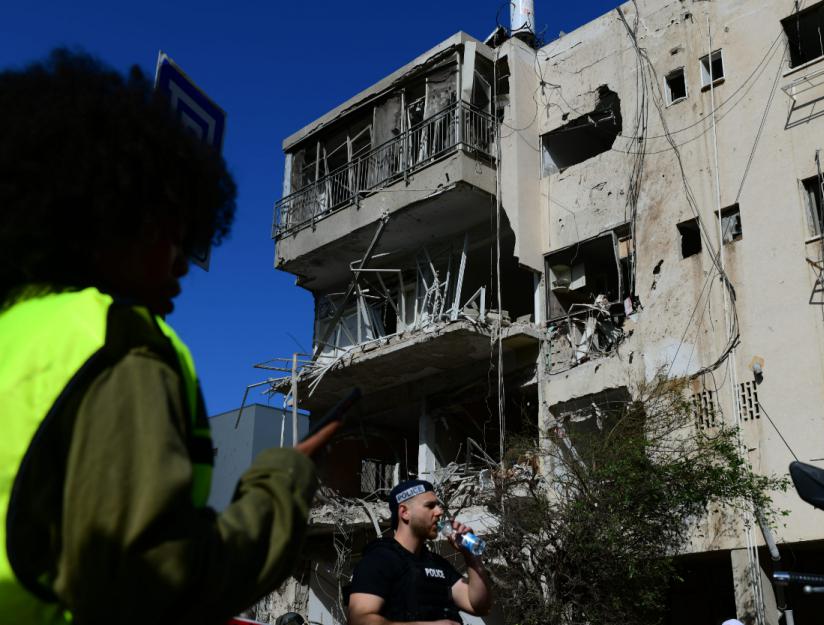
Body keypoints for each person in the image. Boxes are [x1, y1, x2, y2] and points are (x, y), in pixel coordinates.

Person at [0, 50, 344, 624]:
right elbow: (158, 583)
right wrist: (282, 481)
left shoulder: (18, 329)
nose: (184, 260)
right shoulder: (121, 344)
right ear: (110, 215)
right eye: (170, 230)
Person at [347, 480, 492, 625]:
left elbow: (478, 606)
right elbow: (359, 620)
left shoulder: (437, 564)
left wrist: (471, 557)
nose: (439, 512)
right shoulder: (379, 559)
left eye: (438, 505)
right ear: (404, 512)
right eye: (430, 506)